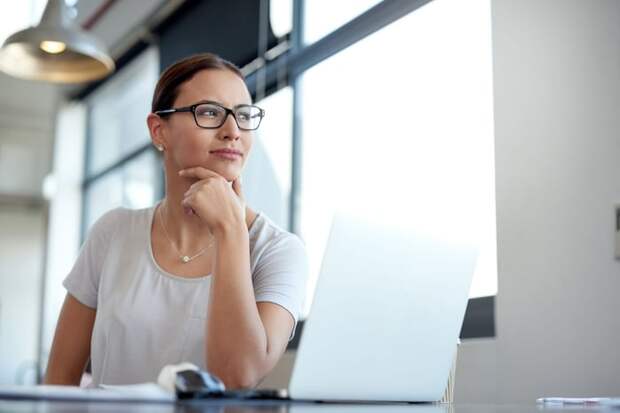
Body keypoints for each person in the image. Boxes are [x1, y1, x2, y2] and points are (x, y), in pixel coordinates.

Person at [44, 53, 309, 389]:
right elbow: (58, 381)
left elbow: (236, 376)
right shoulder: (112, 233)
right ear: (159, 130)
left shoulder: (279, 251)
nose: (232, 131)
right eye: (210, 113)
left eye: (243, 115)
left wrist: (230, 230)